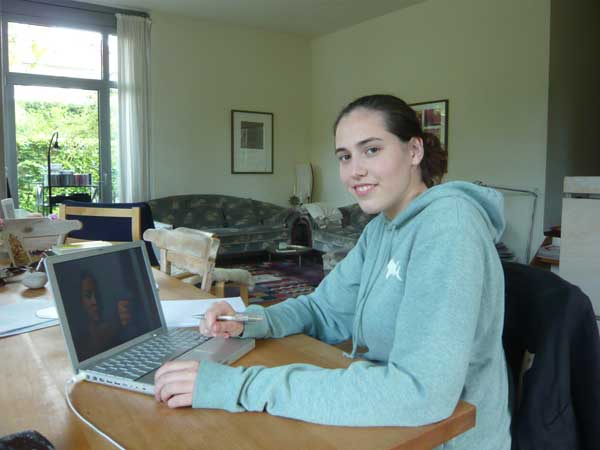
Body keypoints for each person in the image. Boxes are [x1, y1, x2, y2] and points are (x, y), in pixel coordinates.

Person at [154, 94, 512, 449]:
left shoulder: (450, 228)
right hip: (392, 419)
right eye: (345, 156)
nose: (355, 171)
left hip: (442, 436)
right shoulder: (381, 229)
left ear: (414, 151)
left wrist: (239, 386)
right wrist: (250, 320)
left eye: (372, 150)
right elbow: (323, 309)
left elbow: (421, 393)